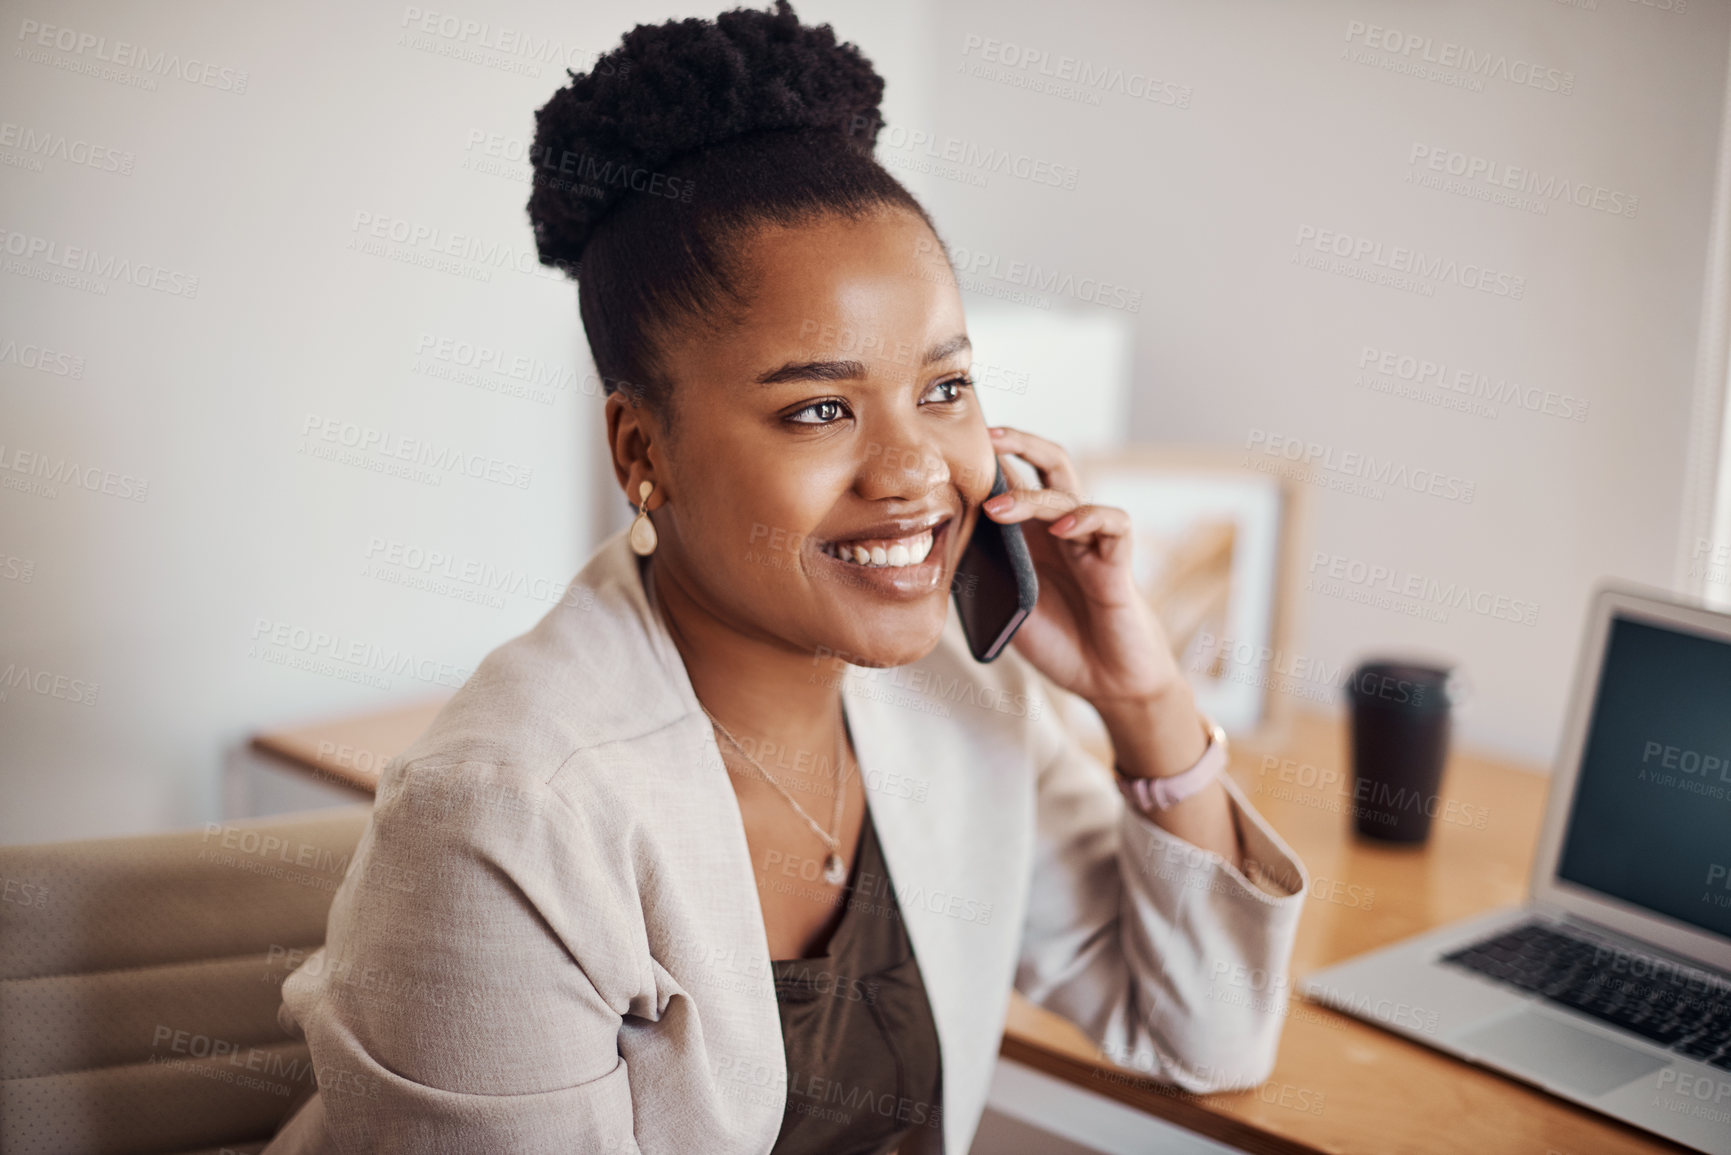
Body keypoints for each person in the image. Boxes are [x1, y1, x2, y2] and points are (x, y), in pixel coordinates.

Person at [262, 4, 1309, 1152]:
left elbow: (1204, 1035)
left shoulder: (958, 685)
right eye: (819, 408)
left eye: (945, 389)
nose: (916, 472)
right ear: (641, 454)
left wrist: (1142, 703)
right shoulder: (505, 821)